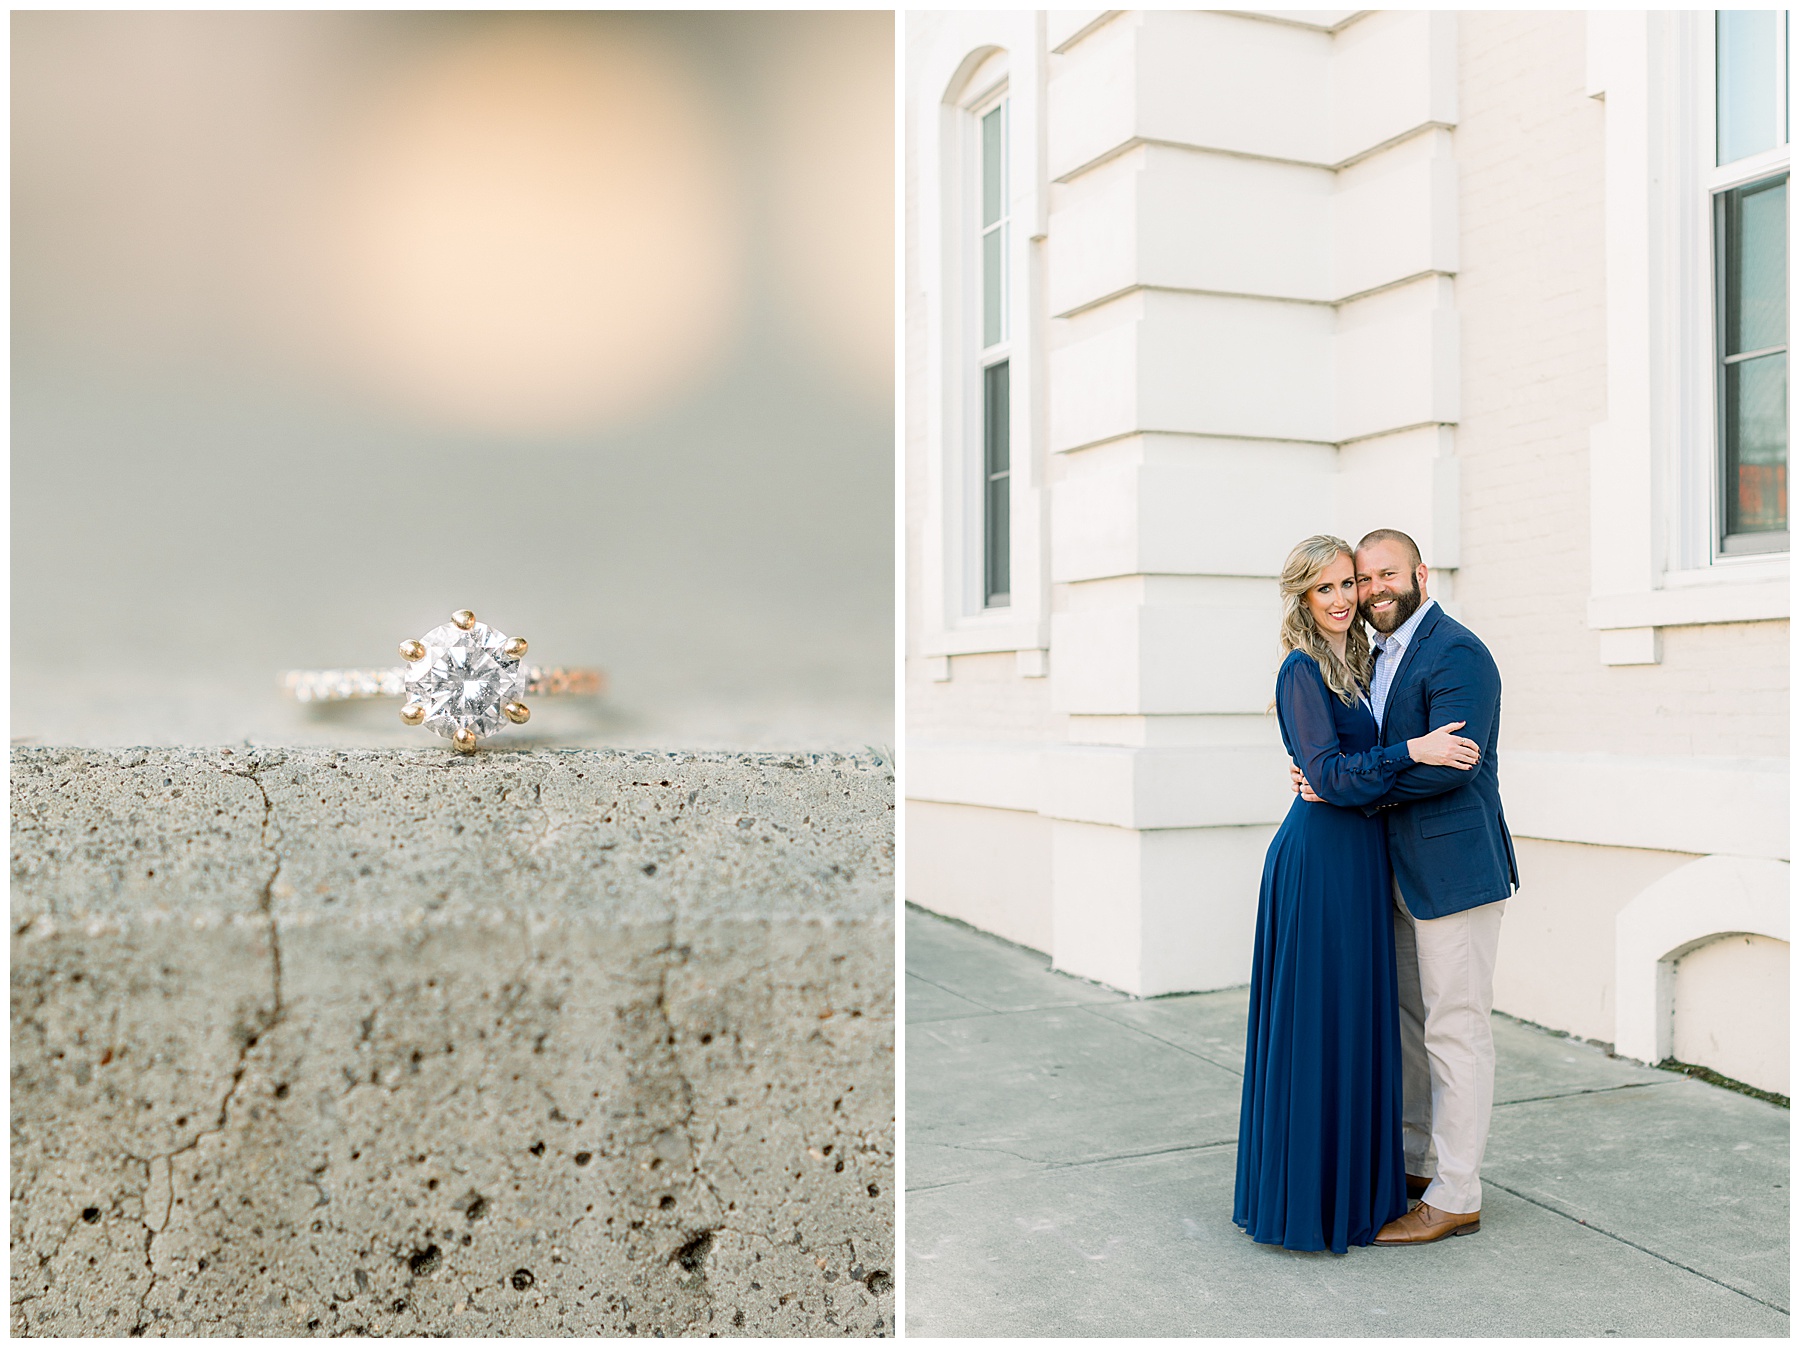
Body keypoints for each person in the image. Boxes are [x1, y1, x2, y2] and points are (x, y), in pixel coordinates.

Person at [1235, 535, 1482, 1254]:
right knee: (1320, 1025)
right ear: (1303, 599)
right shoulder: (1303, 668)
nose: (1347, 598)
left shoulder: (1360, 661)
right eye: (1329, 589)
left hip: (1363, 857)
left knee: (1360, 1023)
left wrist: (1345, 774)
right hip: (1319, 863)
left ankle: (1365, 1182)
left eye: (1352, 584)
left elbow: (1340, 771)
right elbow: (1331, 773)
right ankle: (1311, 1196)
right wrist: (1410, 751)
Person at [1293, 528, 1519, 1246]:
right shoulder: (1370, 656)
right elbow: (1357, 754)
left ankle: (1456, 1194)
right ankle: (1421, 1163)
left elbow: (1452, 764)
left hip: (1453, 872)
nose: (1372, 590)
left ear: (1420, 572)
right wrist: (1332, 776)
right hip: (1390, 870)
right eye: (1361, 580)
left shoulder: (1457, 652)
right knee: (1411, 1030)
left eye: (1386, 574)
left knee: (1457, 1030)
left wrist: (1348, 791)